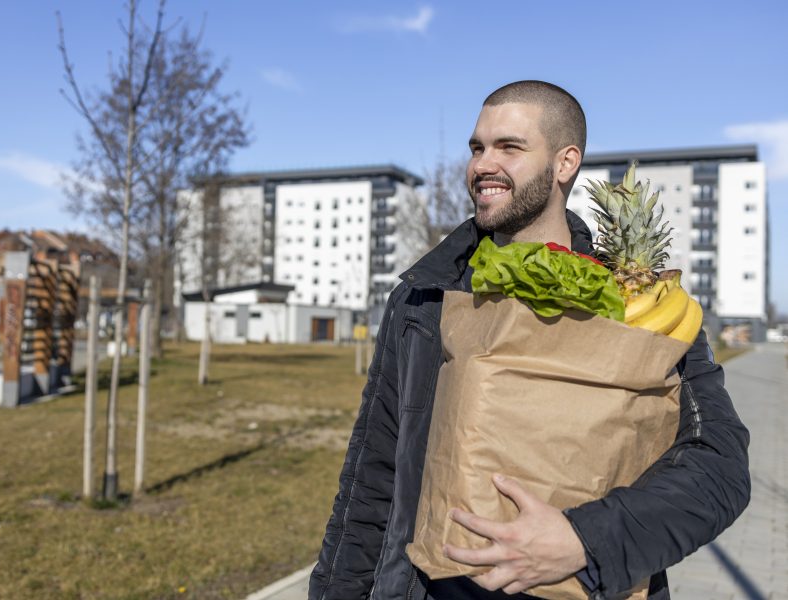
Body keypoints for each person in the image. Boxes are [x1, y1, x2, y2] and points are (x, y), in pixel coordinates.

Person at [308, 80, 750, 600]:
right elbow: (372, 479)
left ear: (565, 163)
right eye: (477, 147)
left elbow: (719, 466)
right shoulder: (424, 298)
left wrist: (585, 541)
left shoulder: (639, 306)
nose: (482, 165)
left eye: (509, 148)